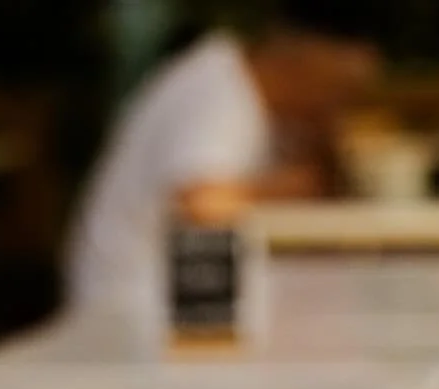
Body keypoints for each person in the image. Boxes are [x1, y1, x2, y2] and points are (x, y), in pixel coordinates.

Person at [65, 8, 379, 313]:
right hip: (134, 310)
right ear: (308, 61)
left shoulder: (243, 89)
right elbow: (204, 207)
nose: (336, 108)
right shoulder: (219, 95)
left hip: (172, 309)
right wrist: (298, 188)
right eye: (340, 93)